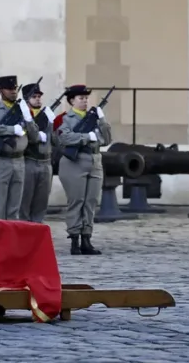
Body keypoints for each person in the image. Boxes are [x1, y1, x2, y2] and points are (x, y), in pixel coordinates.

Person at [57, 84, 113, 255]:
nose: (84, 101)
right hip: (75, 161)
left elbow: (107, 139)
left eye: (86, 98)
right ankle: (74, 239)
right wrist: (85, 137)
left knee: (90, 202)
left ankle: (86, 239)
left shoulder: (95, 118)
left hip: (95, 161)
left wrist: (103, 121)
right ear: (72, 100)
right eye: (81, 98)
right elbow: (63, 137)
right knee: (77, 201)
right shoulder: (66, 118)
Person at [0, 76, 35, 220]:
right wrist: (12, 130)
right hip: (0, 160)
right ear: (1, 91)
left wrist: (28, 118)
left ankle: (11, 240)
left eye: (15, 89)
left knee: (14, 208)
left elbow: (34, 135)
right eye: (10, 89)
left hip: (19, 160)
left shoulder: (23, 109)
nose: (14, 92)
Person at [20, 81, 56, 223]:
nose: (38, 99)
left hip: (46, 162)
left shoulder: (46, 115)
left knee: (41, 201)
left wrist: (54, 123)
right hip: (29, 161)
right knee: (25, 200)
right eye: (34, 96)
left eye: (39, 96)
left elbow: (56, 140)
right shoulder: (22, 116)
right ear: (26, 99)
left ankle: (37, 230)